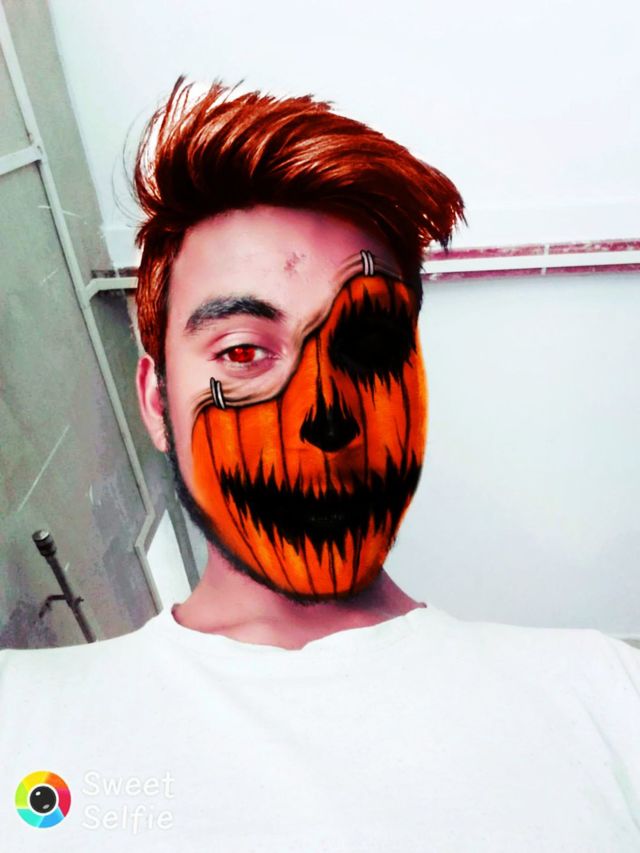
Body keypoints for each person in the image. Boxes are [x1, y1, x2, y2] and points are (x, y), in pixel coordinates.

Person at [1, 78, 639, 852]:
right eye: (243, 351)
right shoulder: (22, 721)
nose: (324, 414)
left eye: (368, 348)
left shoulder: (606, 695)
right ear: (156, 401)